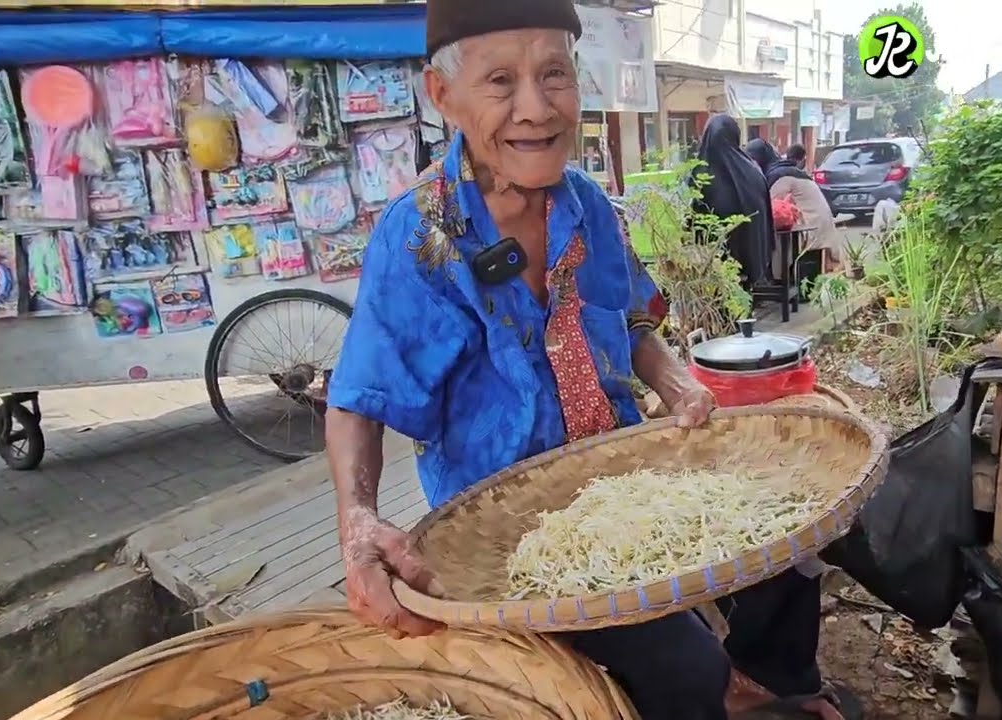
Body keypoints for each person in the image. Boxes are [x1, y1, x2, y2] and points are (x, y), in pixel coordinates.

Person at [324, 1, 859, 718]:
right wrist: (358, 525)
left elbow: (632, 318)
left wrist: (676, 384)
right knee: (685, 670)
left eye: (555, 74)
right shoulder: (420, 235)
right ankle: (714, 689)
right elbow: (357, 399)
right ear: (443, 95)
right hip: (517, 535)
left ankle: (768, 690)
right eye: (500, 81)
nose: (536, 108)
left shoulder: (586, 204)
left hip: (628, 480)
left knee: (788, 546)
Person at [692, 114, 774, 290]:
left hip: (709, 264)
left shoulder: (699, 173)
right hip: (749, 263)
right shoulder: (752, 170)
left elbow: (689, 218)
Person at [746, 138, 844, 268]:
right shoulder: (784, 171)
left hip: (813, 234)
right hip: (818, 231)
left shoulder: (781, 177)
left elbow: (771, 212)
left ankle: (776, 277)